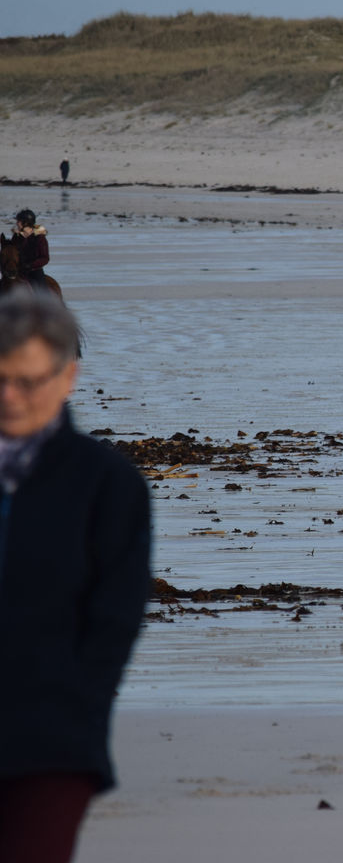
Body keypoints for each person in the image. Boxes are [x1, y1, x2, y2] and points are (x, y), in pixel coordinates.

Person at [0, 292, 152, 863]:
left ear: (68, 377)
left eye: (29, 380)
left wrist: (77, 708)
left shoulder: (107, 482)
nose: (10, 397)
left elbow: (115, 617)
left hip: (52, 744)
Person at [12, 209, 52, 290]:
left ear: (26, 223)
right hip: (19, 272)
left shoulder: (40, 238)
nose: (17, 223)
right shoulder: (17, 237)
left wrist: (30, 265)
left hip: (35, 272)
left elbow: (45, 258)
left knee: (41, 294)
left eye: (19, 221)